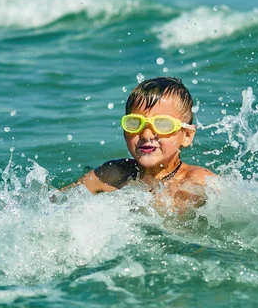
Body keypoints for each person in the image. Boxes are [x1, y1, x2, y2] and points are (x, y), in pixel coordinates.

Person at [63, 77, 215, 215]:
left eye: (162, 124)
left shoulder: (198, 182)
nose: (147, 135)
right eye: (135, 123)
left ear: (187, 135)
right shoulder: (111, 175)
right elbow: (57, 202)